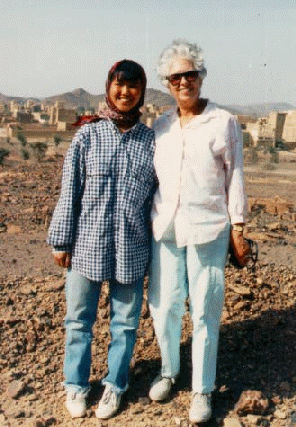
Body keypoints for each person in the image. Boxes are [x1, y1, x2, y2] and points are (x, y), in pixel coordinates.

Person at [148, 40, 250, 424]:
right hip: (166, 225)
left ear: (201, 77)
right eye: (176, 77)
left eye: (190, 74)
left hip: (208, 227)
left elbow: (235, 175)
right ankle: (169, 370)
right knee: (165, 305)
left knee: (205, 312)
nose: (184, 81)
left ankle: (202, 390)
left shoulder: (223, 121)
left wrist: (238, 225)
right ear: (167, 83)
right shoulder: (161, 124)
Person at [47, 60, 155, 420]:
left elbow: (160, 199)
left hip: (132, 248)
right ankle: (76, 386)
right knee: (78, 321)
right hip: (86, 247)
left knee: (124, 325)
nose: (125, 92)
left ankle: (115, 386)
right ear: (108, 87)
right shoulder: (87, 136)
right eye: (118, 85)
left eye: (133, 86)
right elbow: (70, 192)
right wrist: (61, 241)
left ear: (141, 91)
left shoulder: (151, 142)